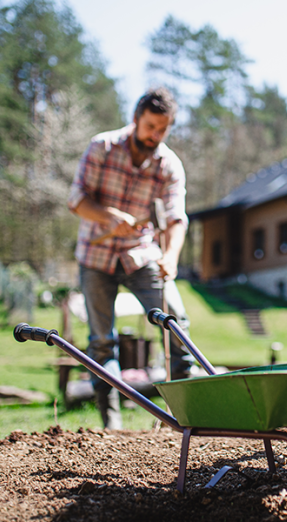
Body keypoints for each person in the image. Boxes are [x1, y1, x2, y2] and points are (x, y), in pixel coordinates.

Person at [68, 87, 194, 429]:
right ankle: (112, 423)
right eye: (151, 126)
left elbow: (175, 219)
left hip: (141, 254)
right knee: (101, 341)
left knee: (176, 323)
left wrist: (170, 255)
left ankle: (185, 416)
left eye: (163, 129)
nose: (156, 135)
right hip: (95, 254)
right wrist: (109, 217)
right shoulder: (102, 147)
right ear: (136, 118)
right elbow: (77, 200)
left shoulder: (168, 165)